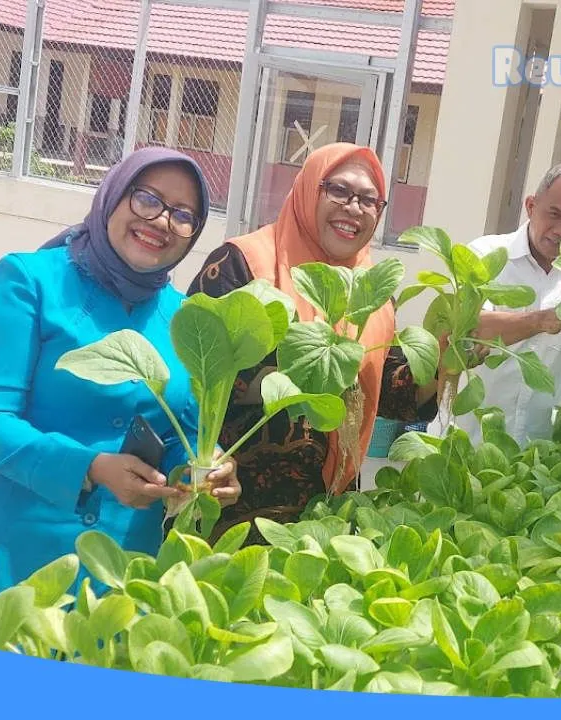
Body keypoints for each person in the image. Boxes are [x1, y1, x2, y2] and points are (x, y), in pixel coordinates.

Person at [0, 147, 241, 601]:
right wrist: (90, 467)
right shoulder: (29, 281)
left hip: (114, 569)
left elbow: (179, 432)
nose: (163, 221)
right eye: (147, 199)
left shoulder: (183, 317)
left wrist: (202, 469)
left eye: (184, 214)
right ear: (112, 196)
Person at [187, 143, 442, 537]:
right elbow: (196, 367)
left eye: (369, 199)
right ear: (308, 188)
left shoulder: (372, 291)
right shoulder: (244, 265)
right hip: (231, 500)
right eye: (338, 190)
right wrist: (316, 375)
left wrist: (447, 357)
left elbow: (393, 394)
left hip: (327, 512)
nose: (354, 207)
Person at [438, 163, 561, 447]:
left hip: (534, 447)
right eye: (554, 214)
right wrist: (542, 320)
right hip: (466, 438)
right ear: (531, 206)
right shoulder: (485, 254)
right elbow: (465, 328)